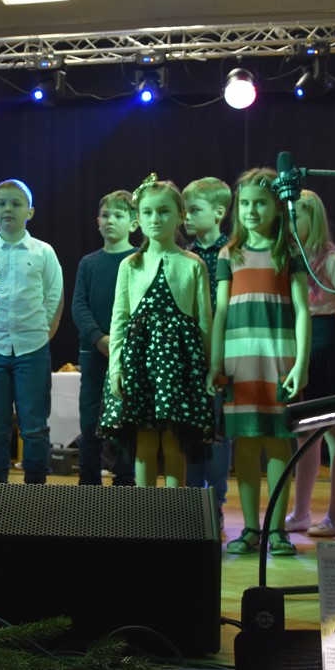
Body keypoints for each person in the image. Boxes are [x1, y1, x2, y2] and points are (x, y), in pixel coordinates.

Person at [207, 168, 310, 558]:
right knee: (247, 446)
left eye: (260, 203)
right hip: (240, 363)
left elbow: (302, 310)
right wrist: (215, 363)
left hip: (279, 359)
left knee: (279, 443)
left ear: (277, 207)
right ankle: (251, 528)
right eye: (246, 203)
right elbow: (220, 312)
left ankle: (277, 530)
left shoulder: (289, 252)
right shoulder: (228, 254)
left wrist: (301, 363)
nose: (251, 210)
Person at [100, 177, 212, 487]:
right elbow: (119, 321)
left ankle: (173, 512)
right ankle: (146, 511)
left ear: (180, 216)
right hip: (141, 364)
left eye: (164, 211)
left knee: (175, 443)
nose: (155, 218)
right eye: (148, 212)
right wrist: (116, 368)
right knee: (145, 443)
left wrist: (209, 368)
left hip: (179, 366)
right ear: (138, 218)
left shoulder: (193, 264)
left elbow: (204, 322)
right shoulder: (130, 265)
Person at [283, 190, 335, 539]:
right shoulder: (286, 259)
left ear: (312, 219)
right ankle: (300, 512)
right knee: (304, 436)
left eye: (296, 215)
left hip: (326, 343)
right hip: (299, 346)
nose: (289, 222)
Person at [0, 179, 64, 485]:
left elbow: (54, 297)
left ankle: (35, 492)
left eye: (16, 204)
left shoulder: (44, 252)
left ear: (29, 212)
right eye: (2, 203)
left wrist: (40, 334)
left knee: (34, 426)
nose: (8, 209)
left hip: (32, 349)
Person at [72, 190, 138, 487]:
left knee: (125, 423)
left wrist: (121, 343)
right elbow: (79, 306)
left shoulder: (138, 261)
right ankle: (88, 487)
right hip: (93, 354)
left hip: (127, 355)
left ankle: (124, 487)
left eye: (119, 215)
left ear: (134, 223)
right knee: (90, 423)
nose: (111, 220)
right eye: (106, 215)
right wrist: (99, 338)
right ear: (98, 222)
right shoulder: (88, 263)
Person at [182, 177, 234, 512]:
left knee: (217, 431)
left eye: (194, 210)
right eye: (184, 210)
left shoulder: (233, 252)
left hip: (224, 353)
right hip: (191, 354)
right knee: (190, 429)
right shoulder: (185, 256)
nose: (186, 217)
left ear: (218, 213)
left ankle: (215, 503)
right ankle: (191, 502)